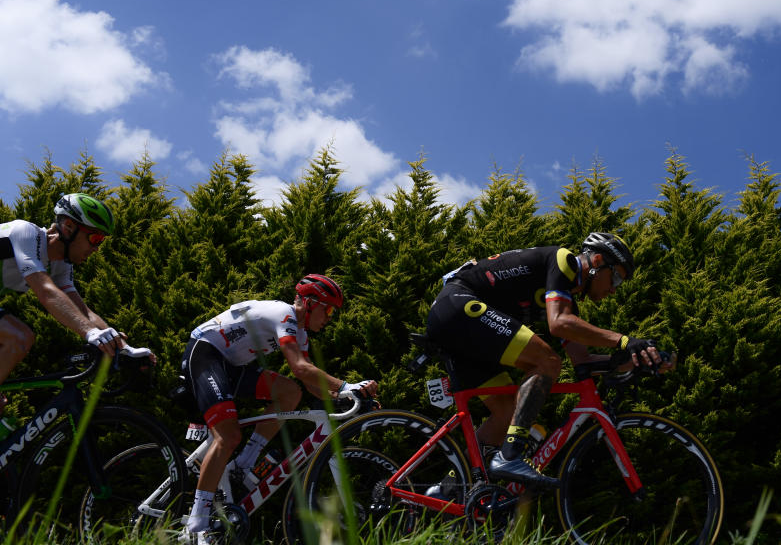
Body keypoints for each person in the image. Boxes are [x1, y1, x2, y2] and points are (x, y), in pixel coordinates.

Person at [425, 232, 664, 488]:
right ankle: (510, 455)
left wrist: (638, 359)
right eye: (616, 276)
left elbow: (583, 363)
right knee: (547, 361)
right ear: (596, 261)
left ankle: (447, 491)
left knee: (506, 413)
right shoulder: (563, 260)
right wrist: (625, 340)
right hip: (459, 305)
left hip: (461, 325)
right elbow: (559, 324)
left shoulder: (565, 299)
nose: (614, 289)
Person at [180, 274, 378, 544]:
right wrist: (345, 385)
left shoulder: (300, 332)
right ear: (309, 303)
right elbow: (299, 367)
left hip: (232, 367)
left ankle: (245, 463)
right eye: (328, 309)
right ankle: (196, 524)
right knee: (228, 436)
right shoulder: (284, 314)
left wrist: (350, 398)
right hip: (206, 353)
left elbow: (309, 384)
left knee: (290, 392)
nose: (330, 317)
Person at [0, 193, 124, 413]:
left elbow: (81, 310)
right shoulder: (25, 233)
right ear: (68, 227)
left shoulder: (60, 264)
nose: (97, 249)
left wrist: (123, 347)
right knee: (19, 337)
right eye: (95, 239)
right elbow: (46, 291)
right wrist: (90, 333)